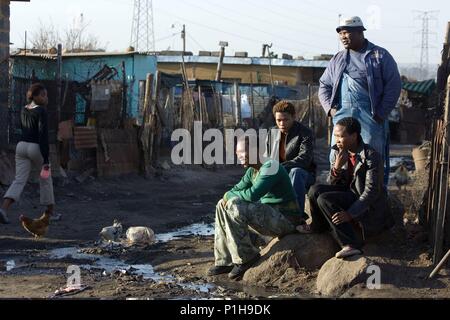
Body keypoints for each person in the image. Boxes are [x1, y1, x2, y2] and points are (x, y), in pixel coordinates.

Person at [318, 16, 402, 185]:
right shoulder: (337, 59)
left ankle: (371, 196)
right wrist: (331, 109)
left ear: (360, 33)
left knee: (371, 156)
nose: (343, 36)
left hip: (370, 116)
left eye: (347, 32)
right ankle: (339, 191)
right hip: (342, 115)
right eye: (341, 33)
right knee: (338, 154)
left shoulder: (380, 56)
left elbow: (394, 86)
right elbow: (324, 85)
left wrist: (380, 114)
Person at [297, 117, 394, 259]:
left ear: (354, 136)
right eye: (335, 136)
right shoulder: (340, 151)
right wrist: (336, 167)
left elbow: (371, 191)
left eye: (341, 136)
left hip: (363, 201)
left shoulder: (371, 156)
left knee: (325, 199)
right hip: (349, 192)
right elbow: (333, 184)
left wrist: (350, 214)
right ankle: (318, 226)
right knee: (314, 190)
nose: (337, 140)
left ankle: (351, 244)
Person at [208, 134, 300, 280]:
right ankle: (225, 260)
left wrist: (230, 196)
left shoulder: (271, 166)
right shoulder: (252, 171)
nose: (239, 156)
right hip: (270, 217)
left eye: (242, 152)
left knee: (234, 203)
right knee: (221, 204)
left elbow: (252, 195)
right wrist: (227, 196)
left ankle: (246, 257)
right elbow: (234, 190)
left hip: (286, 220)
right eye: (237, 154)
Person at [0, 83, 55, 225]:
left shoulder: (24, 109)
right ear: (35, 97)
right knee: (45, 179)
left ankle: (3, 209)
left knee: (19, 180)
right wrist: (46, 159)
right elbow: (42, 135)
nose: (46, 98)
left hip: (21, 147)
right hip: (35, 147)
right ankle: (49, 214)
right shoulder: (41, 111)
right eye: (43, 95)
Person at [265, 100, 316, 221]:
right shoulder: (272, 132)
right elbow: (267, 156)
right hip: (279, 173)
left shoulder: (305, 133)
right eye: (278, 120)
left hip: (304, 175)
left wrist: (281, 168)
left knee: (296, 172)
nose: (281, 123)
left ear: (294, 117)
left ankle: (297, 215)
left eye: (285, 119)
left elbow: (305, 159)